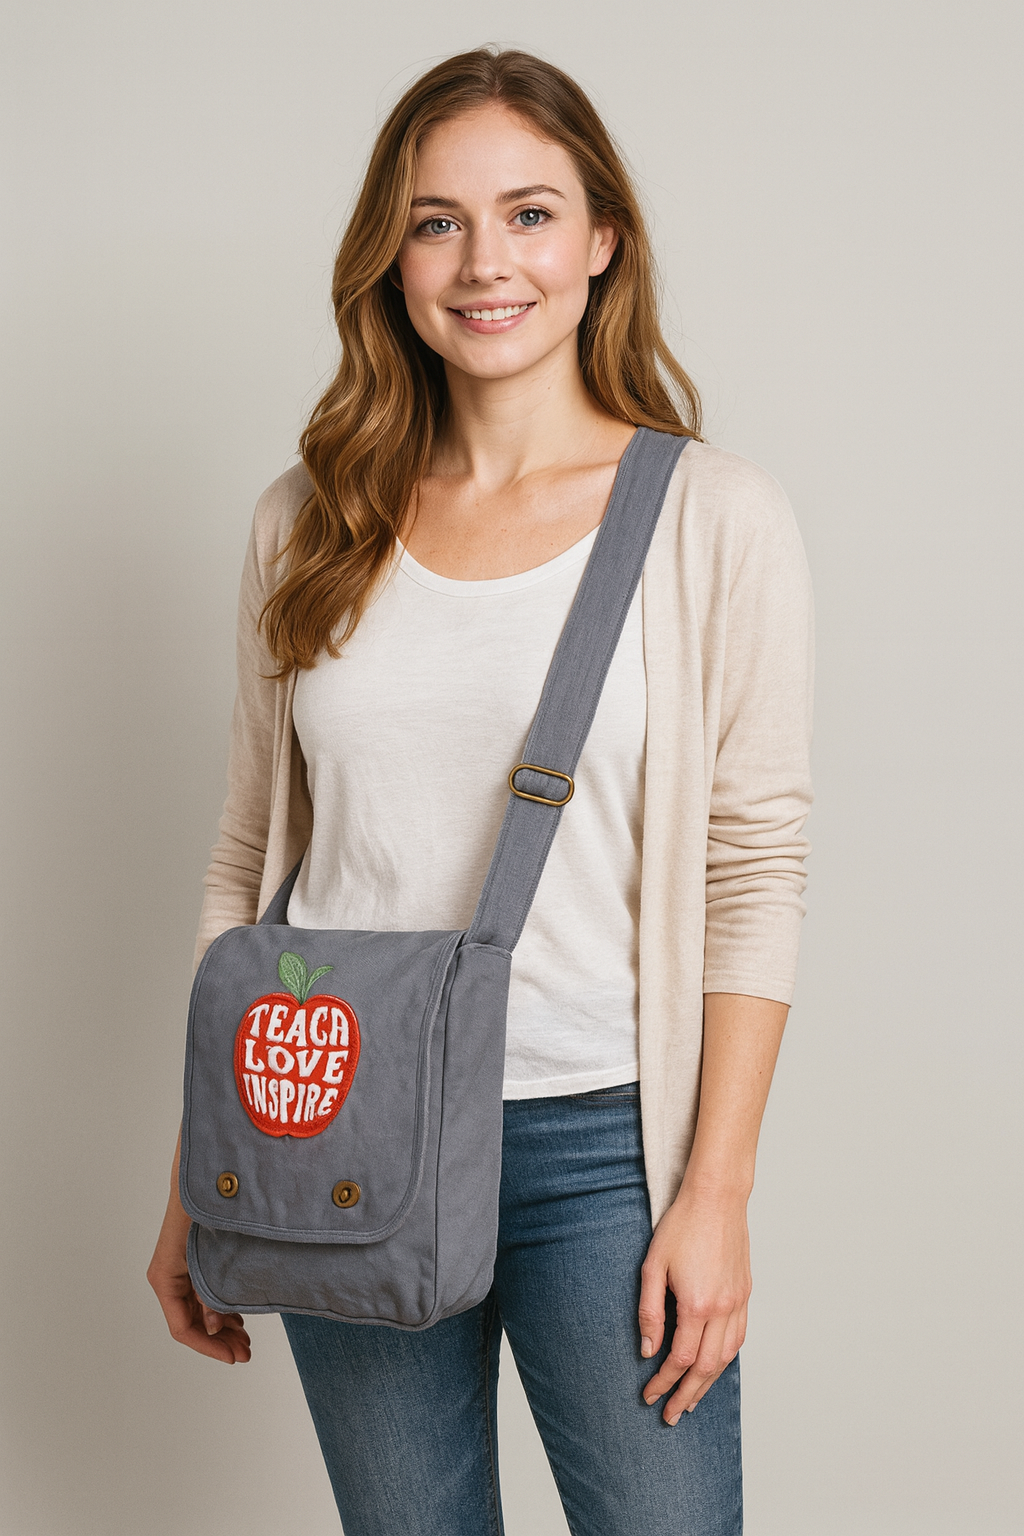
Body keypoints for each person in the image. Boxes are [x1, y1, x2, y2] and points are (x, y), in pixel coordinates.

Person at [148, 46, 813, 1536]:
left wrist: (716, 1191)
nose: (483, 260)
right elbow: (249, 861)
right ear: (390, 253)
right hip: (329, 1121)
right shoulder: (307, 522)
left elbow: (756, 868)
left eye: (528, 213)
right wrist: (209, 1161)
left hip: (599, 1146)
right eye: (437, 219)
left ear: (600, 242)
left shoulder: (716, 520)